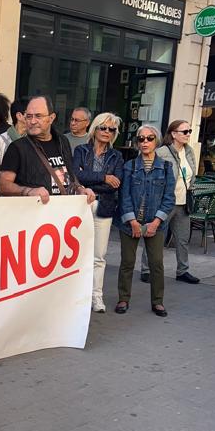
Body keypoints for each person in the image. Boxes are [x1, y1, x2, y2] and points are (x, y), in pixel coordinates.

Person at [115, 126, 173, 316]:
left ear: (156, 141)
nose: (145, 142)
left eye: (149, 138)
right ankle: (123, 299)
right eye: (141, 139)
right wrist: (132, 221)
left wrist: (156, 222)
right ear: (137, 142)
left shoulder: (166, 167)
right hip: (130, 223)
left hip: (155, 223)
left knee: (156, 263)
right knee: (127, 262)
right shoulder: (129, 166)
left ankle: (158, 301)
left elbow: (169, 198)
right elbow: (124, 196)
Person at [0, 96, 97, 207]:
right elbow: (3, 185)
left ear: (51, 118)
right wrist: (29, 191)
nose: (32, 121)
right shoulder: (17, 147)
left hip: (63, 212)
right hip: (34, 215)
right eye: (29, 116)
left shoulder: (62, 141)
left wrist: (80, 189)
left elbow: (69, 175)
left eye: (38, 116)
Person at [72, 113, 125, 312]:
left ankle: (97, 297)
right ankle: (77, 296)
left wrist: (93, 183)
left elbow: (116, 184)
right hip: (82, 205)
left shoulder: (117, 156)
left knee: (99, 256)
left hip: (104, 207)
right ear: (95, 128)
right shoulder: (81, 150)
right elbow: (77, 175)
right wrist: (104, 177)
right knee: (77, 254)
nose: (107, 132)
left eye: (112, 129)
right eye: (103, 127)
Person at [154, 119, 200, 285]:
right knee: (156, 238)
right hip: (165, 203)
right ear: (173, 134)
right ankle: (147, 269)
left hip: (183, 203)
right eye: (185, 132)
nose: (188, 135)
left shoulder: (189, 152)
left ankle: (183, 271)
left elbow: (191, 175)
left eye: (189, 131)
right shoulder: (162, 152)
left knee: (182, 239)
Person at [0, 96, 29, 184]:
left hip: (26, 193)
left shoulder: (32, 140)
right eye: (29, 114)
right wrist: (14, 175)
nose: (33, 119)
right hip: (3, 194)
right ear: (19, 116)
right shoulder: (1, 139)